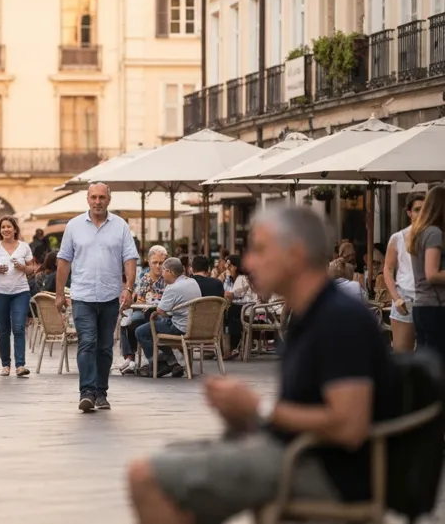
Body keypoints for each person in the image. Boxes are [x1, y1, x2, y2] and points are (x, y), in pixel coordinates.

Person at [128, 206, 398, 524]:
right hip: (298, 453)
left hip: (325, 470)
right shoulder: (309, 315)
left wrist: (258, 408)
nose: (250, 262)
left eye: (259, 249)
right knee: (177, 464)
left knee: (146, 476)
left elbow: (349, 426)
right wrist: (243, 416)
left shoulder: (339, 318)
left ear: (295, 254)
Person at [56, 183, 139, 412]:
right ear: (87, 199)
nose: (98, 201)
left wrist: (128, 288)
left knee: (104, 347)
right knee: (87, 343)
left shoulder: (120, 226)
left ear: (109, 200)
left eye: (102, 197)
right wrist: (60, 292)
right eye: (94, 197)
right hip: (82, 296)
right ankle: (87, 392)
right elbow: (64, 261)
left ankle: (101, 392)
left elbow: (130, 259)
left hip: (110, 296)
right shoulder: (74, 226)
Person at [134, 257, 202, 378]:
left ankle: (160, 364)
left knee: (141, 331)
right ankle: (173, 363)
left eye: (164, 270)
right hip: (194, 327)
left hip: (180, 328)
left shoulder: (173, 287)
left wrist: (162, 313)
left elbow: (160, 310)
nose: (162, 273)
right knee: (160, 324)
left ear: (170, 272)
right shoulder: (193, 282)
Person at [0, 216, 35, 377]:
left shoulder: (24, 247)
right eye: (3, 227)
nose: (6, 229)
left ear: (15, 229)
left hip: (20, 292)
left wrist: (22, 267)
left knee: (19, 327)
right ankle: (5, 365)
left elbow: (32, 269)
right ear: (0, 231)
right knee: (3, 330)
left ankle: (20, 365)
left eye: (9, 226)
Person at [407, 185, 445, 357]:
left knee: (426, 366)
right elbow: (432, 273)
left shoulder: (419, 232)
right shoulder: (434, 233)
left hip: (421, 306)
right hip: (435, 306)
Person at [384, 192, 425, 352]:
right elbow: (387, 269)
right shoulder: (398, 238)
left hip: (430, 301)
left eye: (425, 209)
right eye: (417, 209)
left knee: (432, 359)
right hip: (405, 300)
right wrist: (396, 298)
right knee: (403, 357)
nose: (422, 213)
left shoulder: (437, 236)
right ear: (409, 212)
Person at [119, 246, 168, 375]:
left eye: (161, 263)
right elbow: (140, 300)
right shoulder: (145, 278)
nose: (158, 266)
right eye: (155, 263)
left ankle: (157, 360)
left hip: (164, 315)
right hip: (147, 313)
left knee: (134, 323)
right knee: (127, 322)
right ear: (149, 262)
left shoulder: (169, 277)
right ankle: (130, 358)